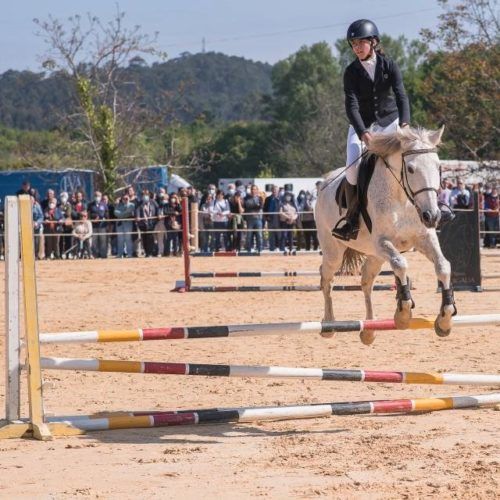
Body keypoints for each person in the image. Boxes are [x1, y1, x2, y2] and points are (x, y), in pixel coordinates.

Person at [332, 19, 410, 241]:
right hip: (363, 126)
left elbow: (401, 95)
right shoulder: (351, 72)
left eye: (360, 43)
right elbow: (352, 105)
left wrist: (404, 124)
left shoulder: (389, 65)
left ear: (373, 42)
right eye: (353, 44)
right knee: (352, 168)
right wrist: (362, 132)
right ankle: (352, 218)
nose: (356, 48)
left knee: (412, 157)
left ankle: (431, 206)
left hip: (390, 122)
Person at [244, 185, 264, 252]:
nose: (253, 191)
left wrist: (255, 207)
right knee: (249, 235)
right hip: (249, 220)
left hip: (258, 219)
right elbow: (247, 206)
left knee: (259, 235)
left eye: (255, 189)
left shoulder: (260, 198)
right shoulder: (246, 198)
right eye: (252, 189)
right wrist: (255, 207)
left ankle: (260, 249)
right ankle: (249, 249)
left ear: (257, 190)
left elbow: (260, 207)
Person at [263, 185, 282, 251]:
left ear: (278, 191)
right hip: (270, 219)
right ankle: (272, 248)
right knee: (271, 235)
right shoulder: (267, 199)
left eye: (276, 190)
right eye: (273, 190)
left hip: (278, 219)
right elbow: (264, 209)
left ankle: (279, 248)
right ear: (271, 190)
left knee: (279, 235)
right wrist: (266, 217)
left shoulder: (280, 199)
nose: (274, 191)